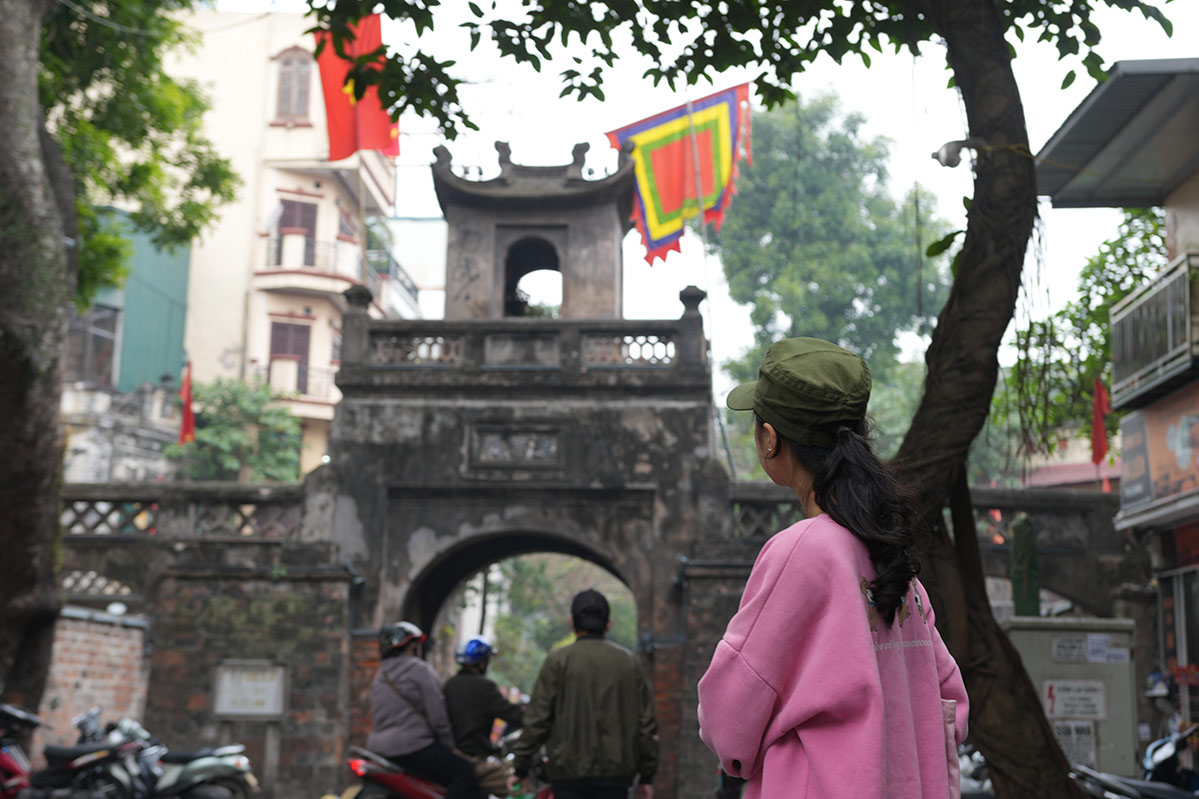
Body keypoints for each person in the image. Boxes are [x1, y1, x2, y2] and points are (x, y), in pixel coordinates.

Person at [697, 337, 969, 799]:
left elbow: (729, 715)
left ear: (769, 439)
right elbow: (950, 703)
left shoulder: (802, 550)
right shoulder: (890, 557)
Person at [510, 589, 658, 799]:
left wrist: (520, 767)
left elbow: (538, 718)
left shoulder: (558, 661)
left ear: (571, 623)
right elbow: (646, 725)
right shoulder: (628, 663)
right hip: (616, 776)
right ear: (608, 624)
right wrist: (646, 777)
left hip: (567, 774)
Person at [366, 621, 477, 799]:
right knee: (465, 773)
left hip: (378, 748)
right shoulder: (419, 669)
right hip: (413, 747)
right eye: (415, 644)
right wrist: (450, 747)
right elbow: (438, 717)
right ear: (409, 646)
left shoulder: (380, 675)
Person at [443, 635, 525, 796]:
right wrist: (541, 719)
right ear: (481, 662)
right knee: (522, 790)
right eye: (487, 659)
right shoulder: (485, 687)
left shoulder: (450, 684)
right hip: (475, 761)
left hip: (453, 757)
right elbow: (514, 715)